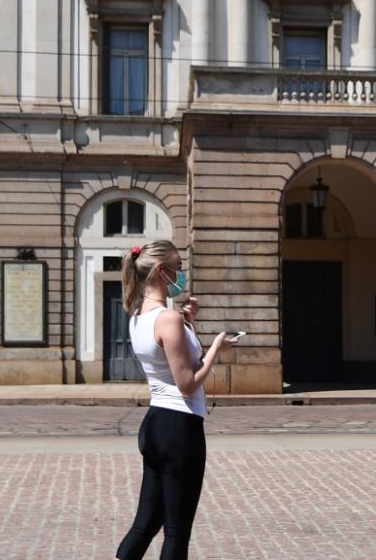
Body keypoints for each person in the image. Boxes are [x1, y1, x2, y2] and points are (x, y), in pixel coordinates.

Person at [116, 240, 237, 560]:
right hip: (179, 427)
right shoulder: (167, 319)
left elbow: (175, 363)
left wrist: (190, 323)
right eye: (178, 267)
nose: (181, 274)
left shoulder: (138, 317)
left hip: (156, 424)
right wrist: (217, 348)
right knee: (176, 532)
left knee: (145, 525)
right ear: (161, 271)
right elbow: (187, 383)